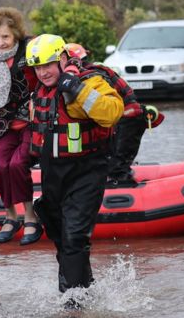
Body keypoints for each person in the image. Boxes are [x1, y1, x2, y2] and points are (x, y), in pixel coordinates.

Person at [25, 34, 123, 309]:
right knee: (60, 236)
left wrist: (78, 90)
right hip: (53, 171)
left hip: (87, 168)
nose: (43, 72)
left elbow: (112, 112)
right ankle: (81, 290)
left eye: (49, 65)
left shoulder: (88, 81)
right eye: (38, 67)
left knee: (75, 237)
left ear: (64, 59)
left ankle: (74, 305)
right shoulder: (39, 90)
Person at [0, 7, 41, 245]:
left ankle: (31, 215)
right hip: (3, 123)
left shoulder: (30, 48)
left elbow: (60, 57)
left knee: (17, 164)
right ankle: (11, 216)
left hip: (32, 122)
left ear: (15, 35)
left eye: (5, 37)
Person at [64, 43, 164, 186]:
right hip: (129, 115)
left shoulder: (91, 77)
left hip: (125, 117)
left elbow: (102, 107)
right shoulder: (97, 70)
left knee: (116, 164)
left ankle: (120, 185)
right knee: (115, 158)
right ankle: (117, 177)